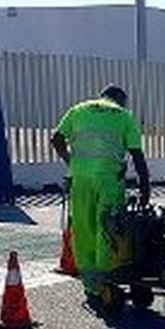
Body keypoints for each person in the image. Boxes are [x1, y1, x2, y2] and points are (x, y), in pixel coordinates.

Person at [51, 85, 149, 305]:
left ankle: (91, 284)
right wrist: (145, 188)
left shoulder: (78, 110)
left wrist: (72, 163)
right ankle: (107, 280)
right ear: (121, 101)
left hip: (80, 180)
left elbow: (56, 139)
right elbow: (137, 155)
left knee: (83, 229)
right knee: (107, 230)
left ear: (102, 97)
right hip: (109, 181)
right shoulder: (123, 116)